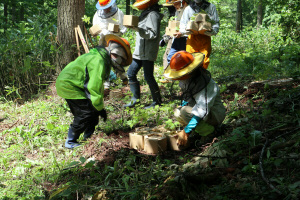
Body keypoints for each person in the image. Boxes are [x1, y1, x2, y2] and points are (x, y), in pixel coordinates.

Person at [56, 34, 132, 149]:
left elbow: (97, 85)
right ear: (116, 54)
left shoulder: (101, 57)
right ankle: (71, 141)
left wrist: (98, 107)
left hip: (76, 84)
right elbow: (93, 86)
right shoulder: (99, 61)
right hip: (70, 85)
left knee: (93, 112)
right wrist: (100, 107)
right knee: (85, 113)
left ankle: (89, 139)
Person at [164, 51, 225, 148]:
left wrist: (186, 131)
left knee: (184, 112)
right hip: (204, 111)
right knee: (178, 111)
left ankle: (209, 133)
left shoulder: (205, 84)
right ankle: (198, 131)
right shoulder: (188, 79)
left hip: (214, 114)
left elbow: (202, 110)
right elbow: (188, 96)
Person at [123, 0, 163, 109]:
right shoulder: (145, 14)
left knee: (148, 76)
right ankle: (135, 99)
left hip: (148, 51)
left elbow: (153, 34)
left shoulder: (153, 15)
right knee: (131, 73)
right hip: (140, 51)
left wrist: (138, 29)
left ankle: (157, 101)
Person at [174, 0, 220, 69]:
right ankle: (191, 78)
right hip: (192, 38)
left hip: (205, 38)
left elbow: (215, 23)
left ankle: (202, 77)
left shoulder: (211, 7)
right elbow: (183, 24)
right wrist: (183, 32)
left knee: (204, 60)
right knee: (190, 60)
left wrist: (211, 31)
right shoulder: (188, 8)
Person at [93, 0, 128, 89]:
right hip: (103, 40)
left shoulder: (118, 12)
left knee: (115, 58)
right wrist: (98, 32)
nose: (106, 10)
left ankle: (123, 77)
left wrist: (118, 31)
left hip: (115, 39)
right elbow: (95, 28)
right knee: (103, 60)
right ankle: (106, 82)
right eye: (104, 8)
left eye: (107, 7)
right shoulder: (97, 15)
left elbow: (124, 27)